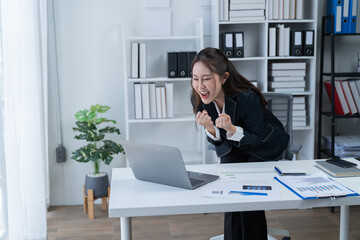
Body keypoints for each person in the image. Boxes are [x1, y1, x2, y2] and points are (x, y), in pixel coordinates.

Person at [190, 47, 289, 240]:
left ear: (224, 77)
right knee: (230, 187)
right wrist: (211, 129)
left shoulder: (247, 97)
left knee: (249, 189)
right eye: (195, 78)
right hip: (234, 145)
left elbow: (258, 137)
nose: (200, 86)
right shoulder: (200, 98)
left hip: (263, 145)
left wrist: (233, 131)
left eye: (206, 78)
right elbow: (219, 143)